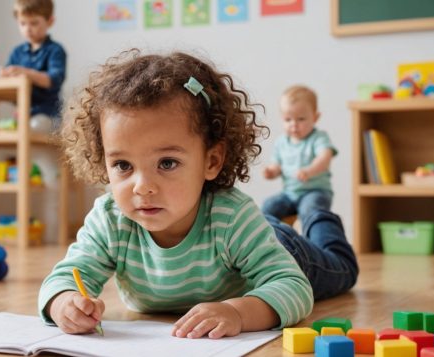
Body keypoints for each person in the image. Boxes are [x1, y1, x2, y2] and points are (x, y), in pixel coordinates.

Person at [38, 50, 358, 339]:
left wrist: (237, 312)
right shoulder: (110, 219)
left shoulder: (231, 218)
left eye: (167, 163)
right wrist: (64, 303)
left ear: (211, 161)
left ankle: (320, 219)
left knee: (341, 268)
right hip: (247, 243)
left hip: (285, 251)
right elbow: (65, 276)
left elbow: (294, 287)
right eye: (122, 164)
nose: (142, 186)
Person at [261, 85, 337, 221]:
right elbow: (277, 166)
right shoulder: (281, 142)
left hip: (315, 192)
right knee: (268, 207)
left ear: (315, 117)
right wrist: (271, 172)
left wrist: (309, 171)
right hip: (289, 194)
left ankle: (314, 240)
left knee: (310, 210)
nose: (294, 124)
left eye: (301, 119)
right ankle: (276, 239)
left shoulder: (318, 137)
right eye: (288, 119)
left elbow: (325, 157)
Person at [1, 0, 66, 131]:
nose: (27, 29)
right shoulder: (17, 53)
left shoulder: (55, 50)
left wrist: (26, 73)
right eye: (22, 23)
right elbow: (7, 85)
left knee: (32, 127)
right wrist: (3, 75)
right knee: (0, 130)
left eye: (34, 23)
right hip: (22, 115)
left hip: (49, 114)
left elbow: (54, 79)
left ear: (50, 21)